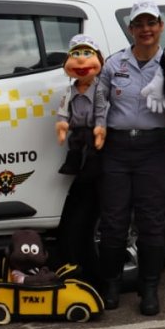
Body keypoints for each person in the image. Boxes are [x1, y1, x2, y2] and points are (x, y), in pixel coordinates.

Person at [94, 0, 165, 315]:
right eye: (139, 24)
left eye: (151, 23)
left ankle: (150, 287)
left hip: (153, 148)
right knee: (114, 219)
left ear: (161, 27)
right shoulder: (114, 65)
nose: (145, 29)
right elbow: (98, 105)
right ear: (130, 29)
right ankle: (112, 285)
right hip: (115, 147)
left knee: (152, 220)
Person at [53, 34, 106, 284]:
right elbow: (64, 110)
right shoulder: (69, 90)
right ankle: (73, 164)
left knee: (93, 160)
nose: (82, 64)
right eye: (76, 56)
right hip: (77, 131)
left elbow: (101, 110)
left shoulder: (99, 89)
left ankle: (89, 167)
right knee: (75, 151)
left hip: (92, 130)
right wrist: (62, 126)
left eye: (87, 56)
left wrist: (100, 129)